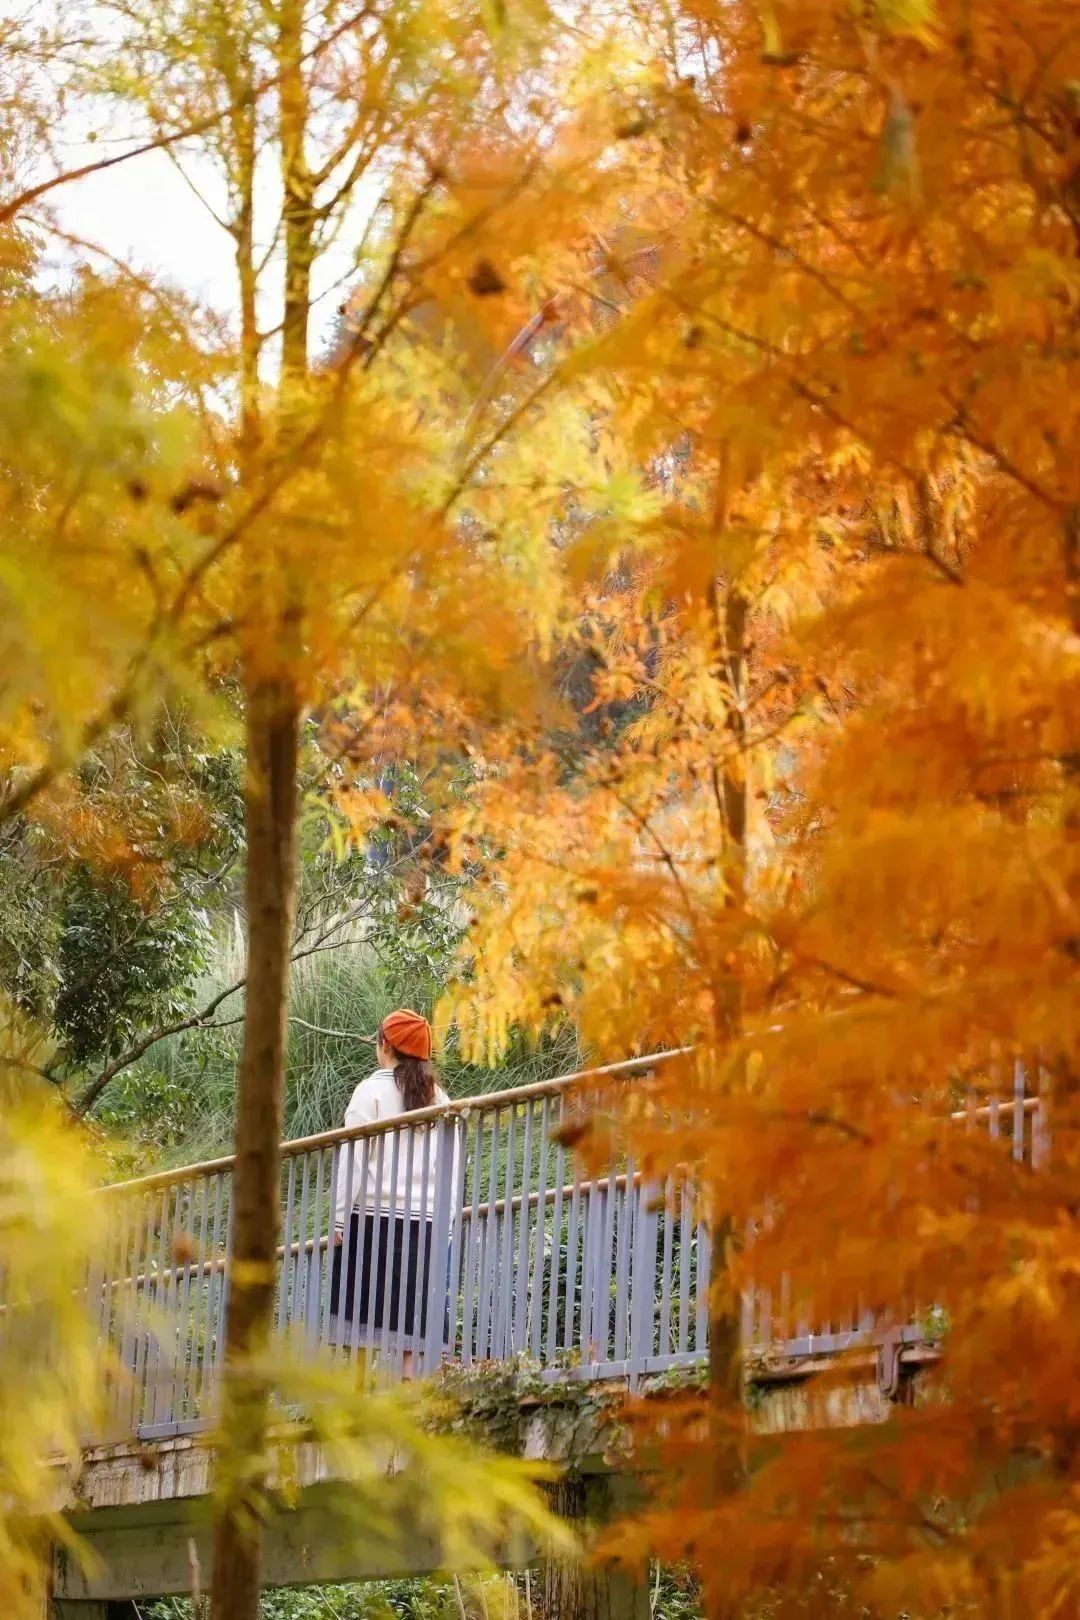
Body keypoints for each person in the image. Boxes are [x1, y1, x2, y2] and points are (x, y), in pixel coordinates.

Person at [329, 1008, 453, 1375]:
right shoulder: (441, 1100)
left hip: (370, 1220)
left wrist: (339, 1218)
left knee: (361, 1317)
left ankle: (357, 1400)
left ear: (384, 1044)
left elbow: (352, 1159)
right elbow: (450, 1167)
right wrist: (445, 1224)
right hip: (426, 1222)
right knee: (411, 1319)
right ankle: (409, 1392)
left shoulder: (369, 1092)